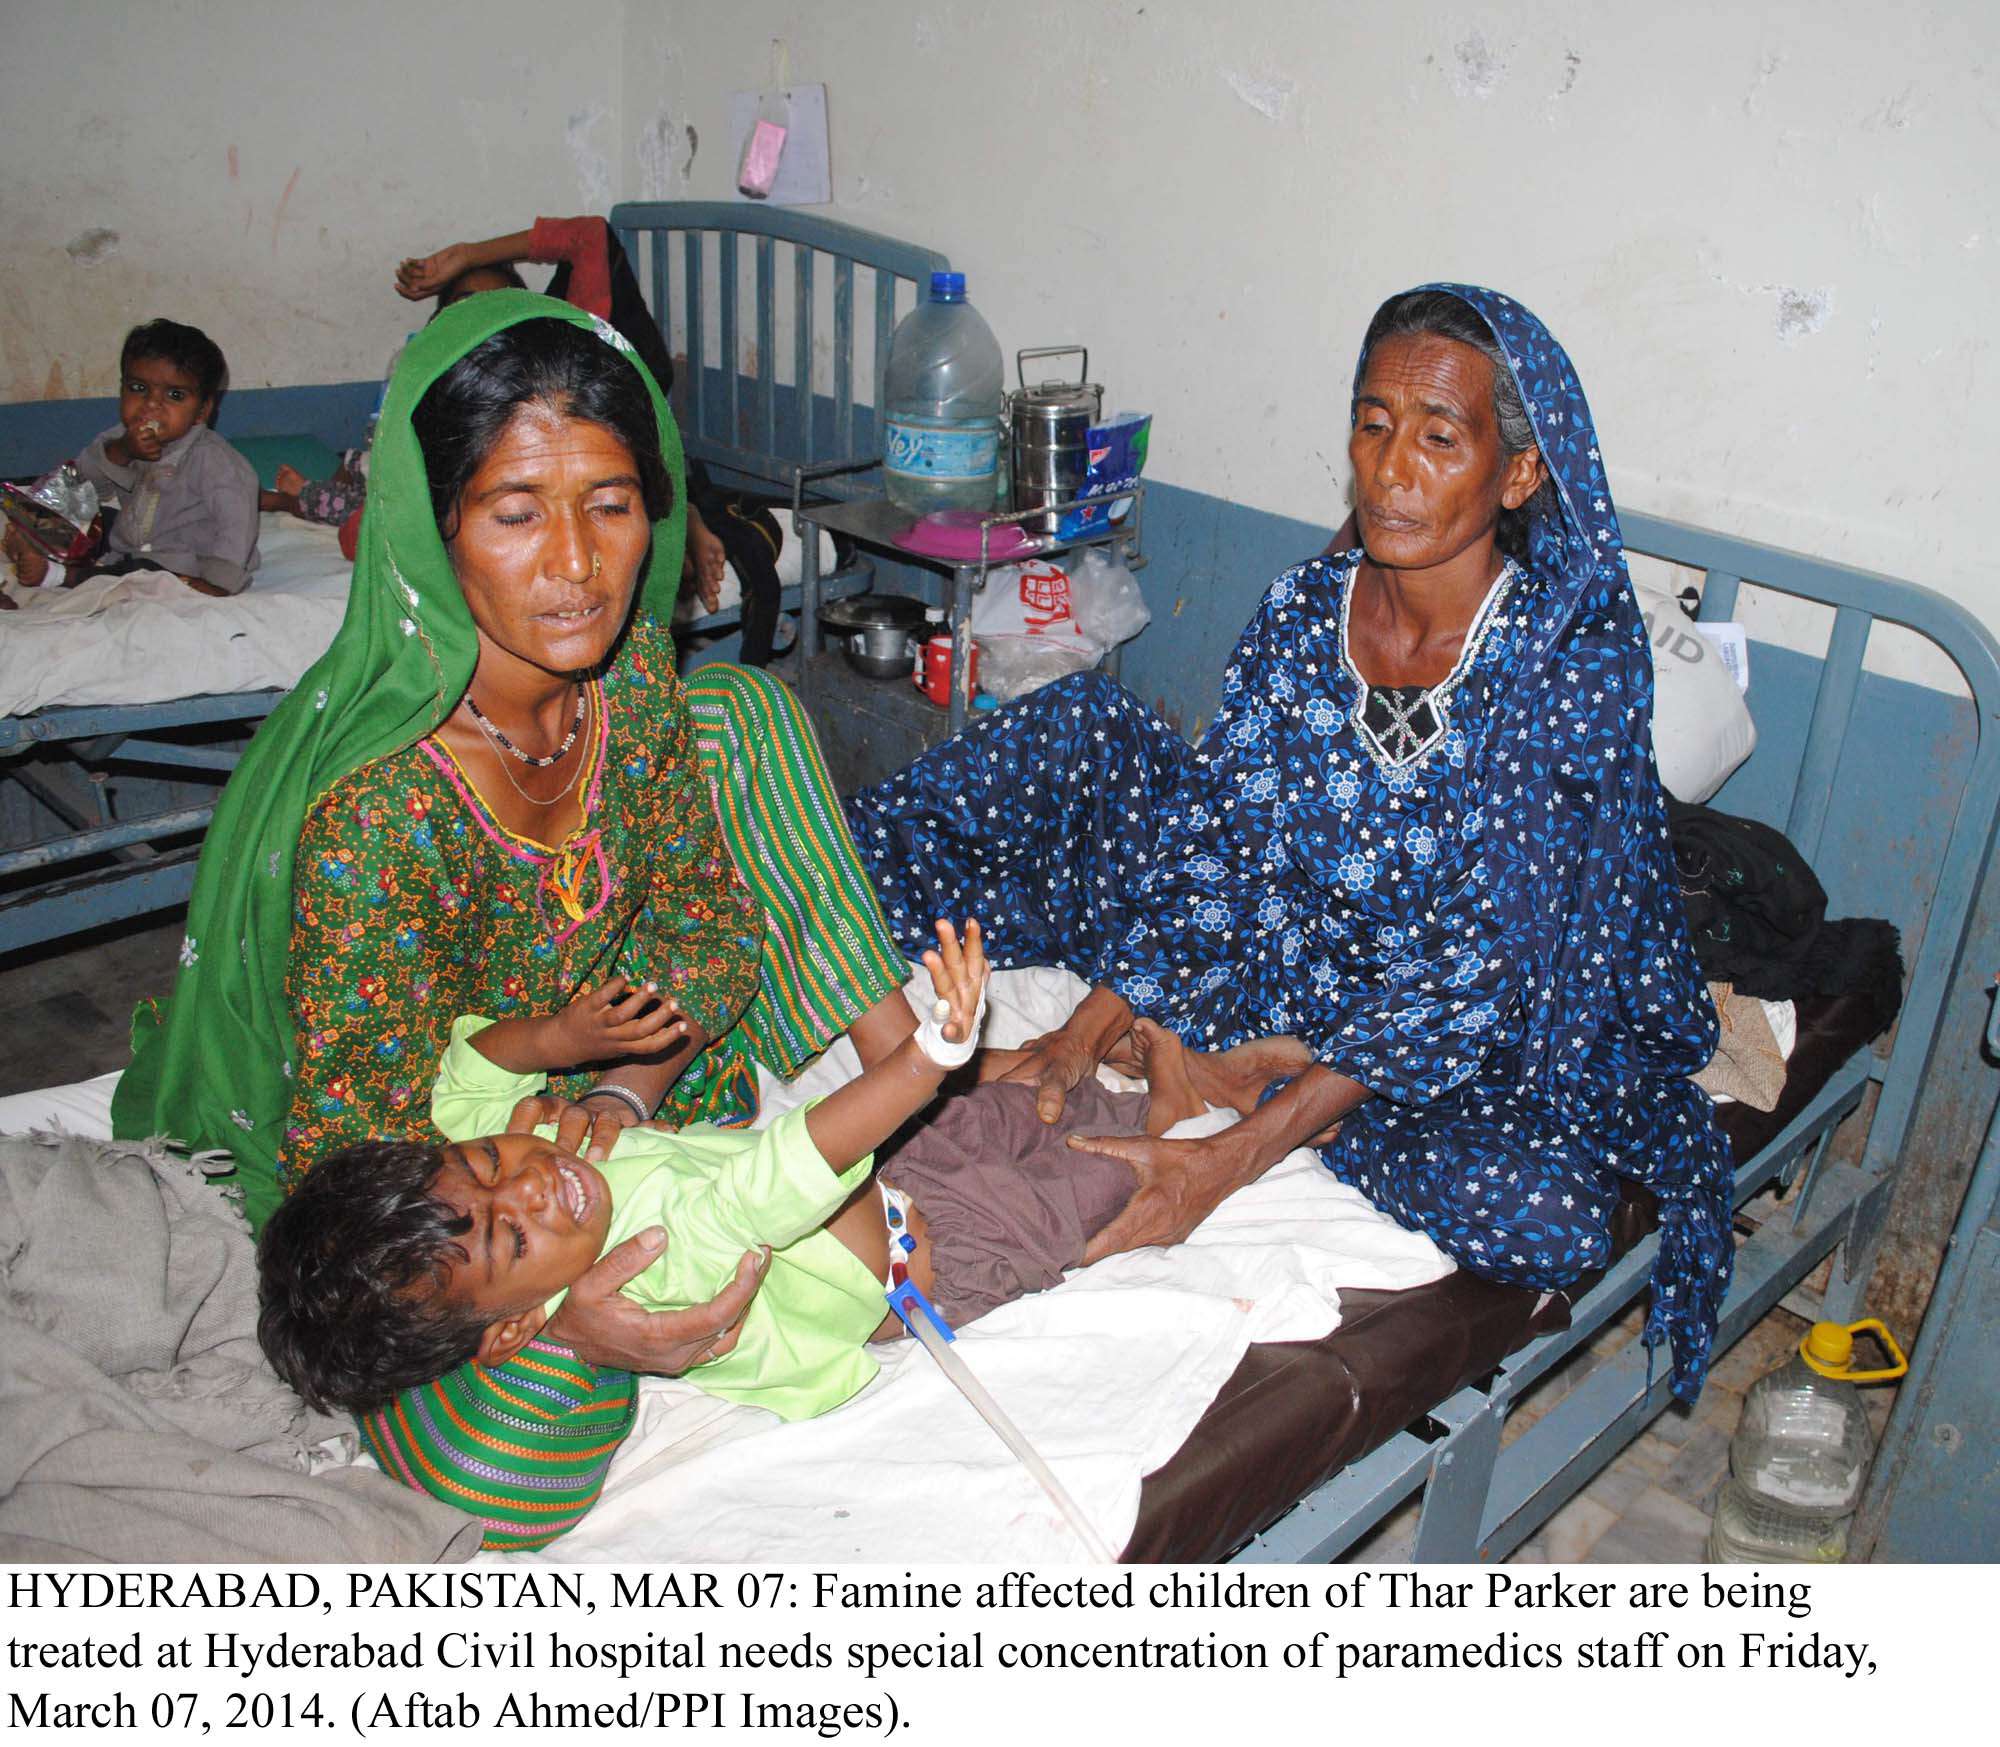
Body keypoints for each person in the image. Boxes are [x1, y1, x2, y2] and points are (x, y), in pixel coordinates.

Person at [111, 291, 919, 1548]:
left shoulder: (631, 684)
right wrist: (559, 1314)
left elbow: (708, 932)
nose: (575, 567)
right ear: (435, 534)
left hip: (609, 1113)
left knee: (743, 719)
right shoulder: (384, 816)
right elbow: (369, 1162)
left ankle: (901, 1078)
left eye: (609, 504)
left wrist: (624, 1094)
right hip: (461, 1168)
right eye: (513, 513)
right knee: (496, 1482)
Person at [847, 285, 1735, 1400]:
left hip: (1457, 1013)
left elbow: (1478, 969)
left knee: (1549, 1215)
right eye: (1371, 424)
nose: (1389, 468)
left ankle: (1257, 1076)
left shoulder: (1564, 668)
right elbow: (1221, 835)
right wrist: (1084, 1029)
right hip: (1277, 939)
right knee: (1074, 726)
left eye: (1438, 438)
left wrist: (1222, 1162)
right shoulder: (1305, 609)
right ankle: (1203, 1046)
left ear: (1514, 474)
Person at [2, 319, 260, 597]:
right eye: (138, 388)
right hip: (130, 539)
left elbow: (236, 525)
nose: (151, 405)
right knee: (77, 510)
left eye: (175, 395)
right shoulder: (121, 437)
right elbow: (83, 485)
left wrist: (218, 582)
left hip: (181, 560)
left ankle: (63, 575)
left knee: (142, 573)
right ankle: (29, 540)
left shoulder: (215, 461)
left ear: (202, 411)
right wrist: (121, 451)